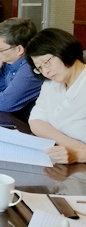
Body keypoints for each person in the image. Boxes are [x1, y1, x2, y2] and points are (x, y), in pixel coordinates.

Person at [26, 28, 86, 164]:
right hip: (58, 157)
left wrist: (78, 155)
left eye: (46, 62)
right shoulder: (51, 83)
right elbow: (35, 121)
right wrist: (67, 143)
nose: (45, 71)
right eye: (40, 68)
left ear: (64, 49)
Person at [0, 18, 42, 120]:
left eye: (0, 48)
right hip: (10, 118)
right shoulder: (8, 62)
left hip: (25, 124)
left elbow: (4, 104)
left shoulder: (29, 69)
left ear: (19, 50)